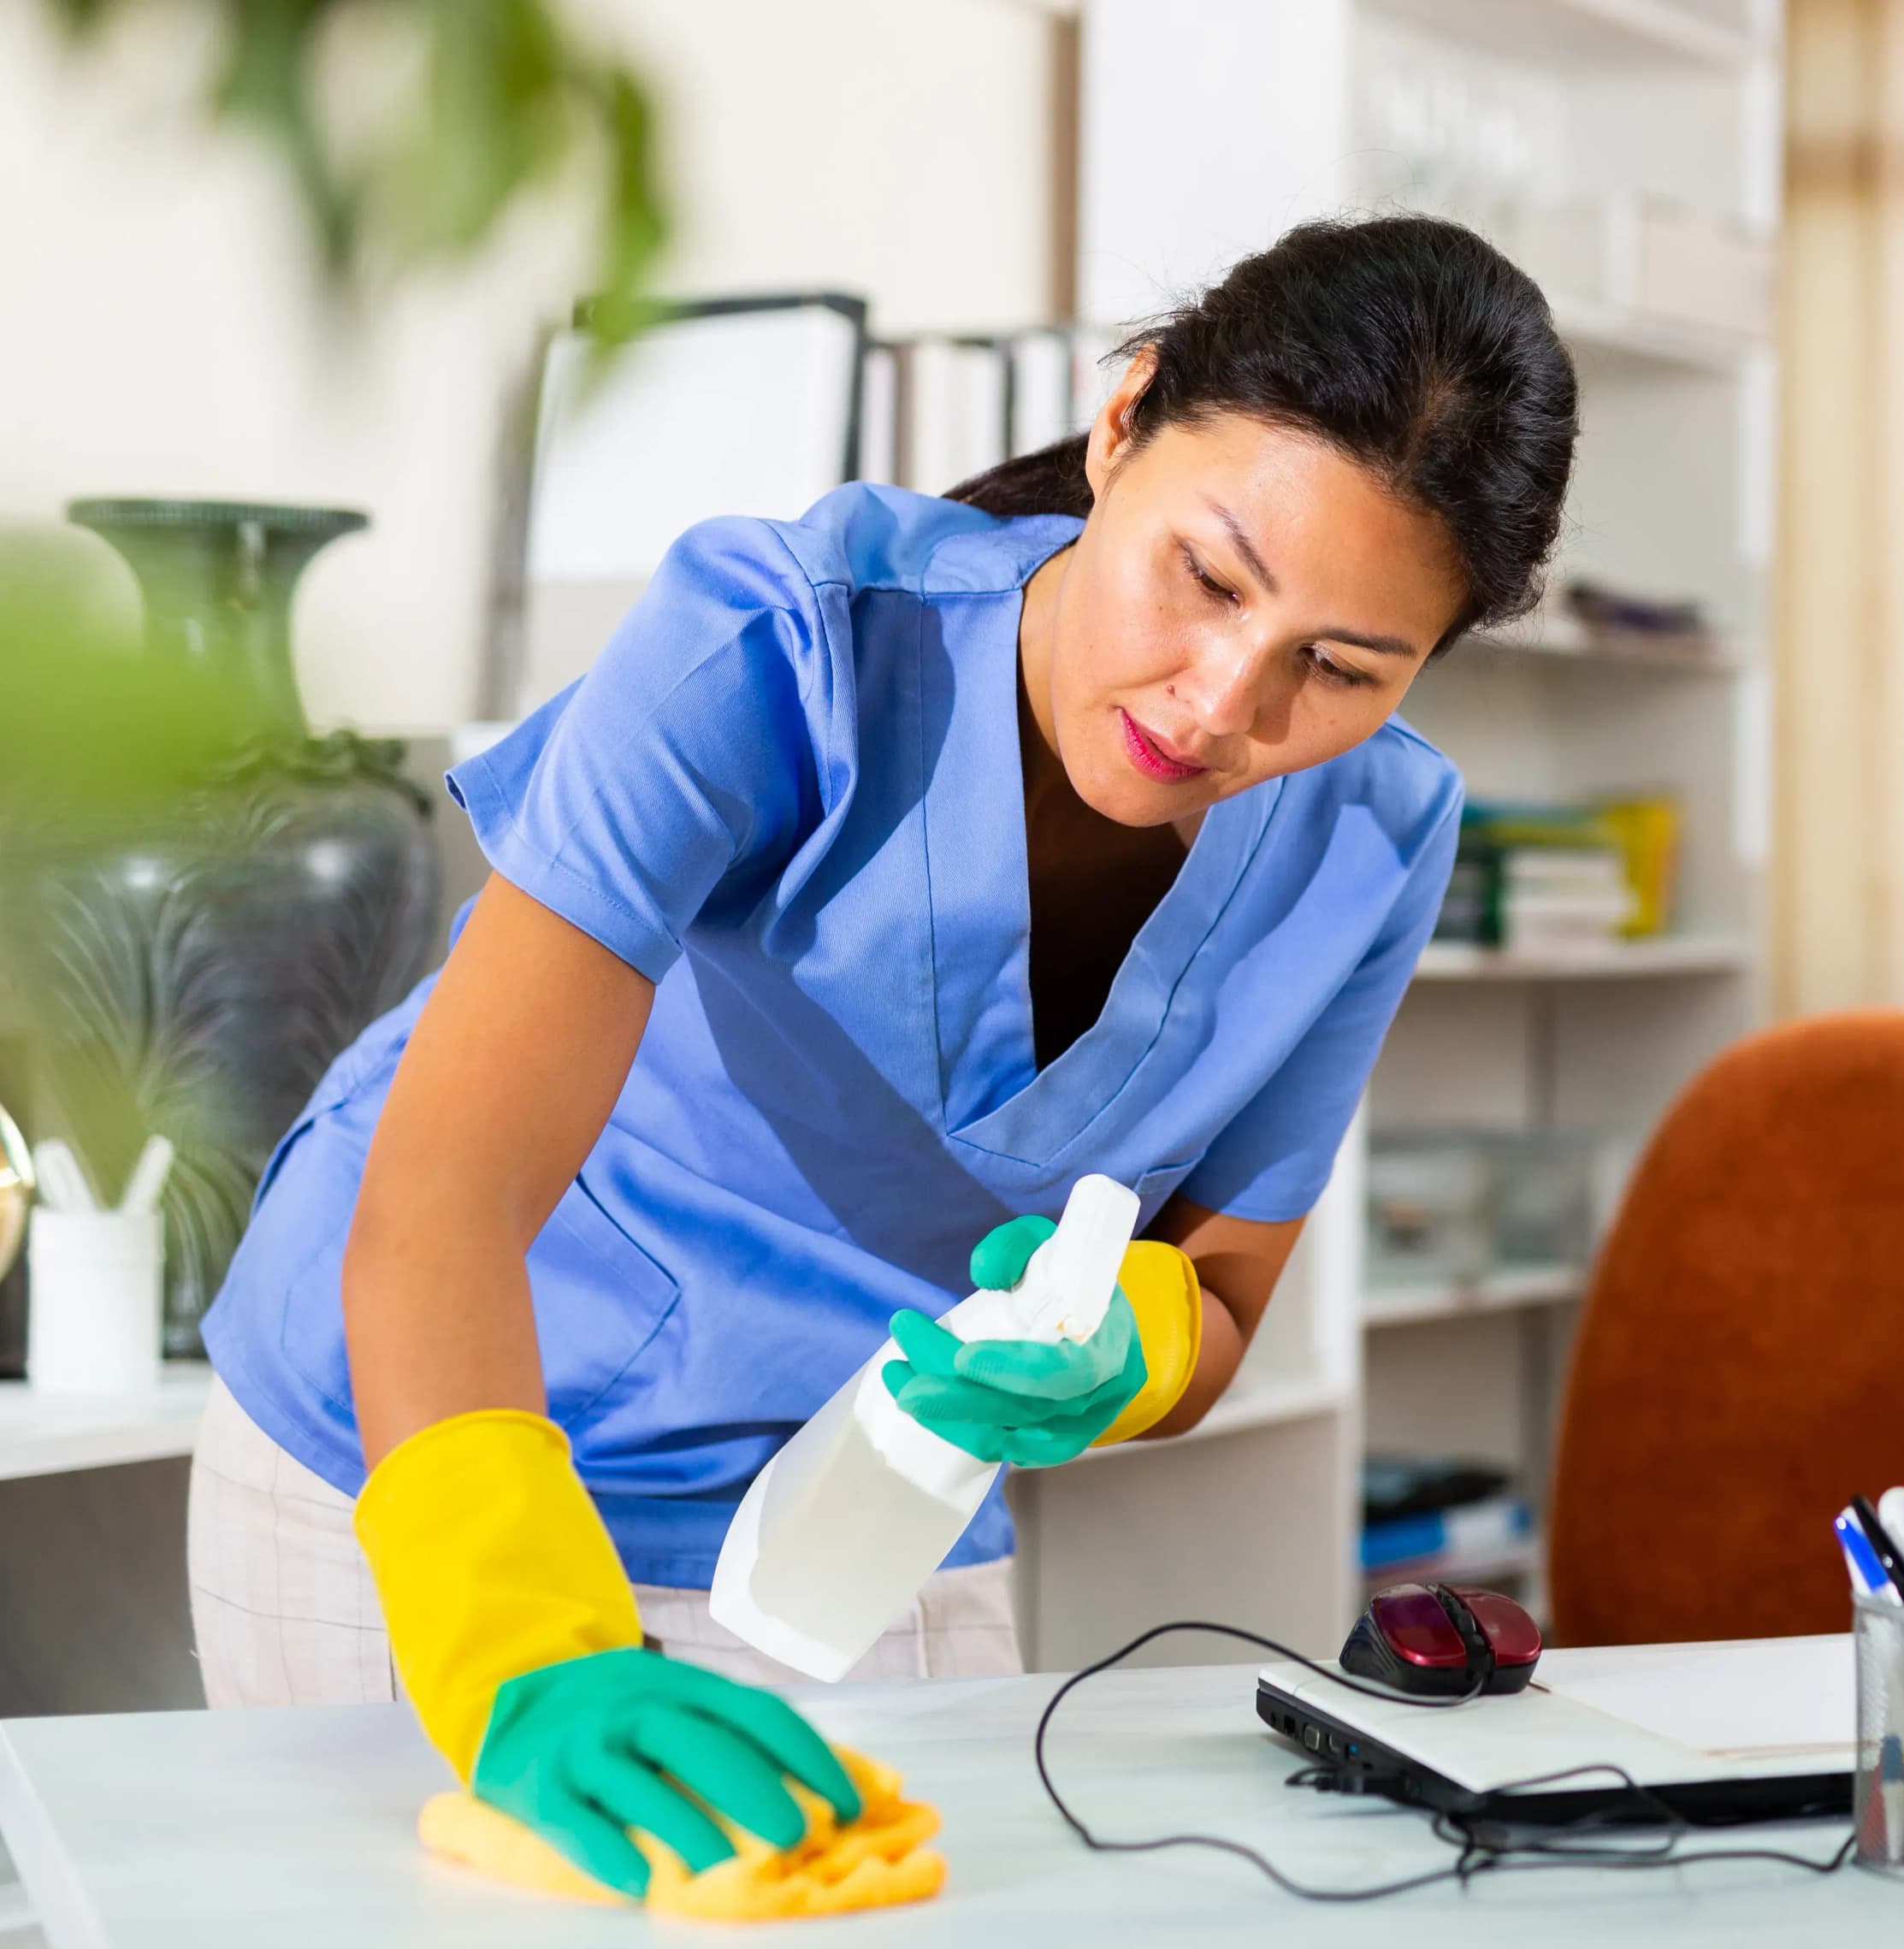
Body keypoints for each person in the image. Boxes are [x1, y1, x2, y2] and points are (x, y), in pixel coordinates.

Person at [185, 214, 1578, 1899]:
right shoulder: (777, 642)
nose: (1223, 702)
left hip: (856, 1516)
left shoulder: (1379, 836)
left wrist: (1126, 1350)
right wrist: (523, 1656)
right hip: (426, 1453)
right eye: (1208, 580)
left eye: (1339, 667)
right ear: (1123, 423)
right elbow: (440, 1202)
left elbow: (1222, 1302)